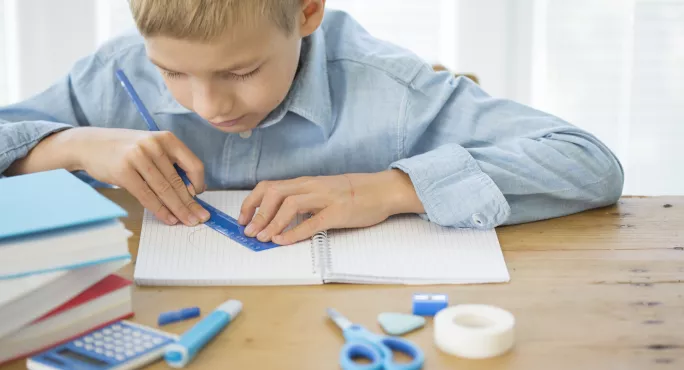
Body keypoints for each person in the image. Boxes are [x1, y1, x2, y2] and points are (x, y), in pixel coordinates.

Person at [0, 0, 624, 245]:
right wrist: (74, 145)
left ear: (305, 12)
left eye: (241, 72)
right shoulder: (114, 73)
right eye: (173, 74)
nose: (209, 106)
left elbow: (588, 163)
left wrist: (386, 188)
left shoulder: (392, 88)